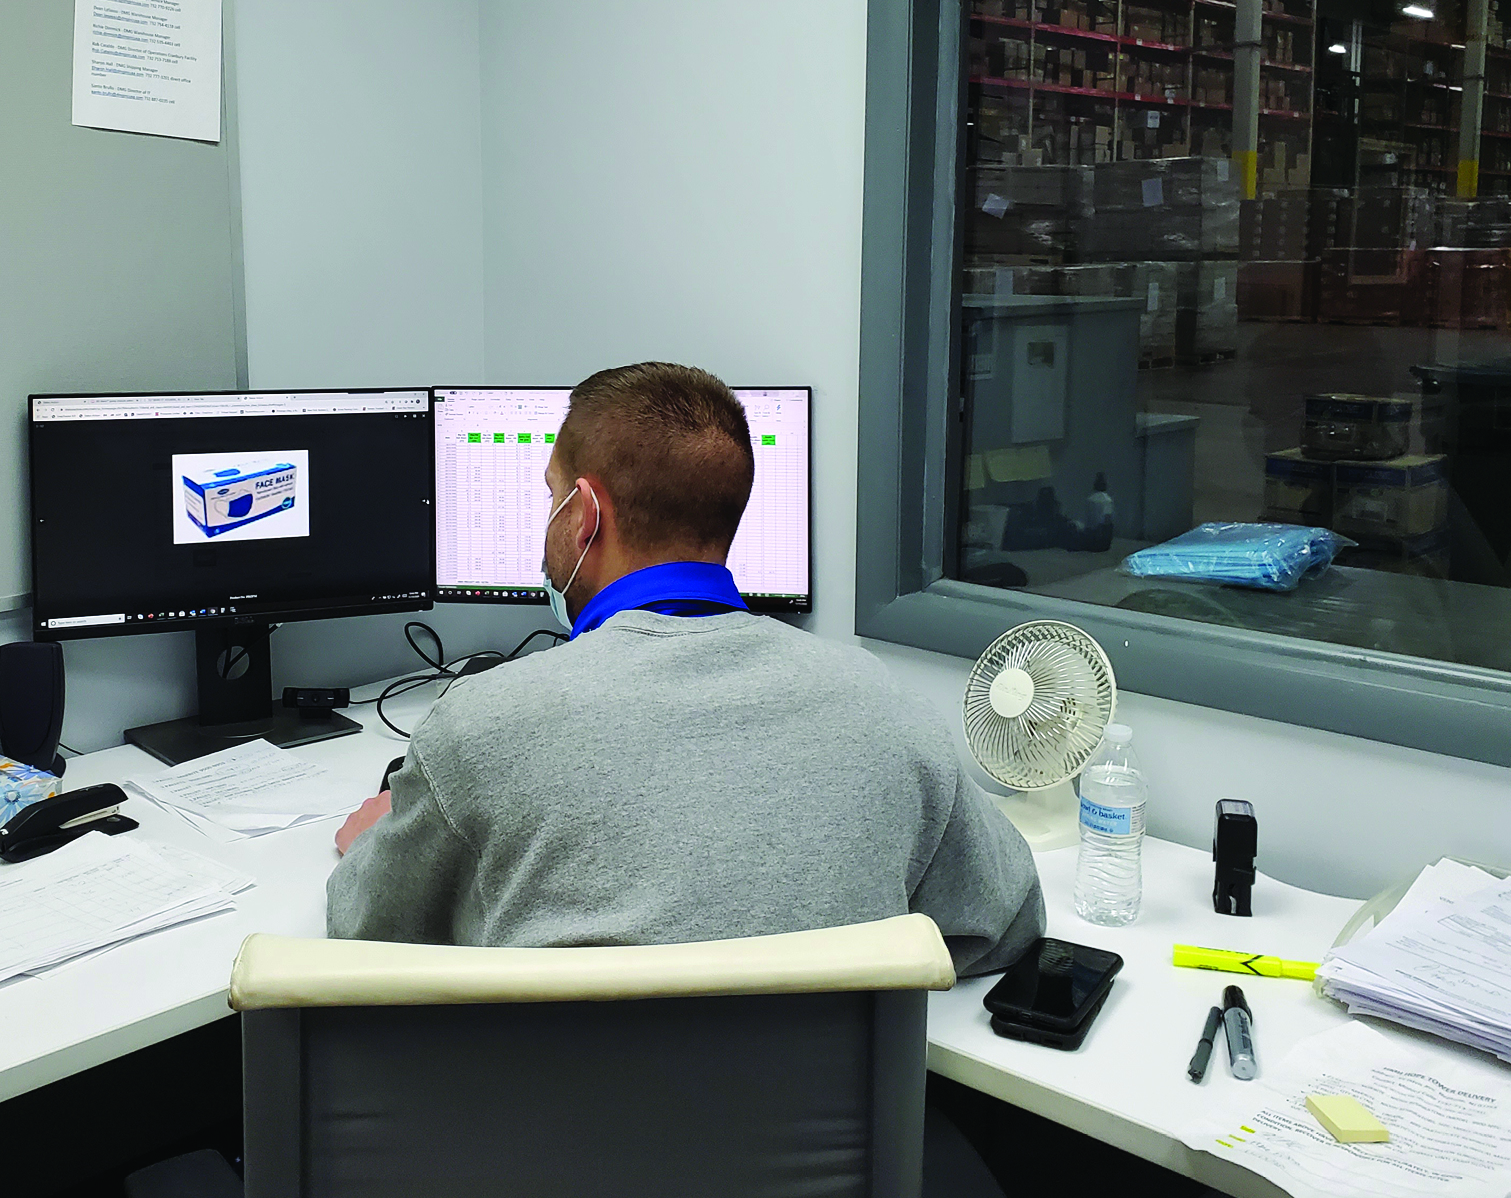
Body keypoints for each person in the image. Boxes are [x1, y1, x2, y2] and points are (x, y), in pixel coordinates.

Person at [327, 362, 1043, 977]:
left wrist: (374, 847)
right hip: (812, 1129)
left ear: (584, 514)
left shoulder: (480, 725)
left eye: (552, 495)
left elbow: (363, 935)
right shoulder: (885, 706)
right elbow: (1009, 921)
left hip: (561, 1135)